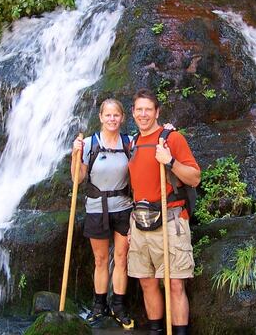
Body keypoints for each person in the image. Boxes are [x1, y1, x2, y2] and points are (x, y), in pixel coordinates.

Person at [127, 88, 201, 335]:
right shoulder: (132, 143)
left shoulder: (171, 139)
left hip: (171, 221)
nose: (144, 114)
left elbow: (195, 178)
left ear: (157, 112)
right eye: (139, 109)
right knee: (147, 282)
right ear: (133, 113)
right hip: (139, 223)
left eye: (148, 109)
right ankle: (156, 330)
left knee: (175, 284)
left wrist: (170, 161)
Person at [72, 98, 134, 329]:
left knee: (121, 259)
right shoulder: (89, 144)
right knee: (100, 259)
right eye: (107, 115)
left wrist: (166, 132)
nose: (111, 119)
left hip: (124, 207)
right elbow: (77, 179)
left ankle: (118, 304)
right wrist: (74, 156)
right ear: (100, 117)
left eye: (116, 115)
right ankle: (99, 305)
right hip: (97, 208)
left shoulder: (129, 143)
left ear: (122, 118)